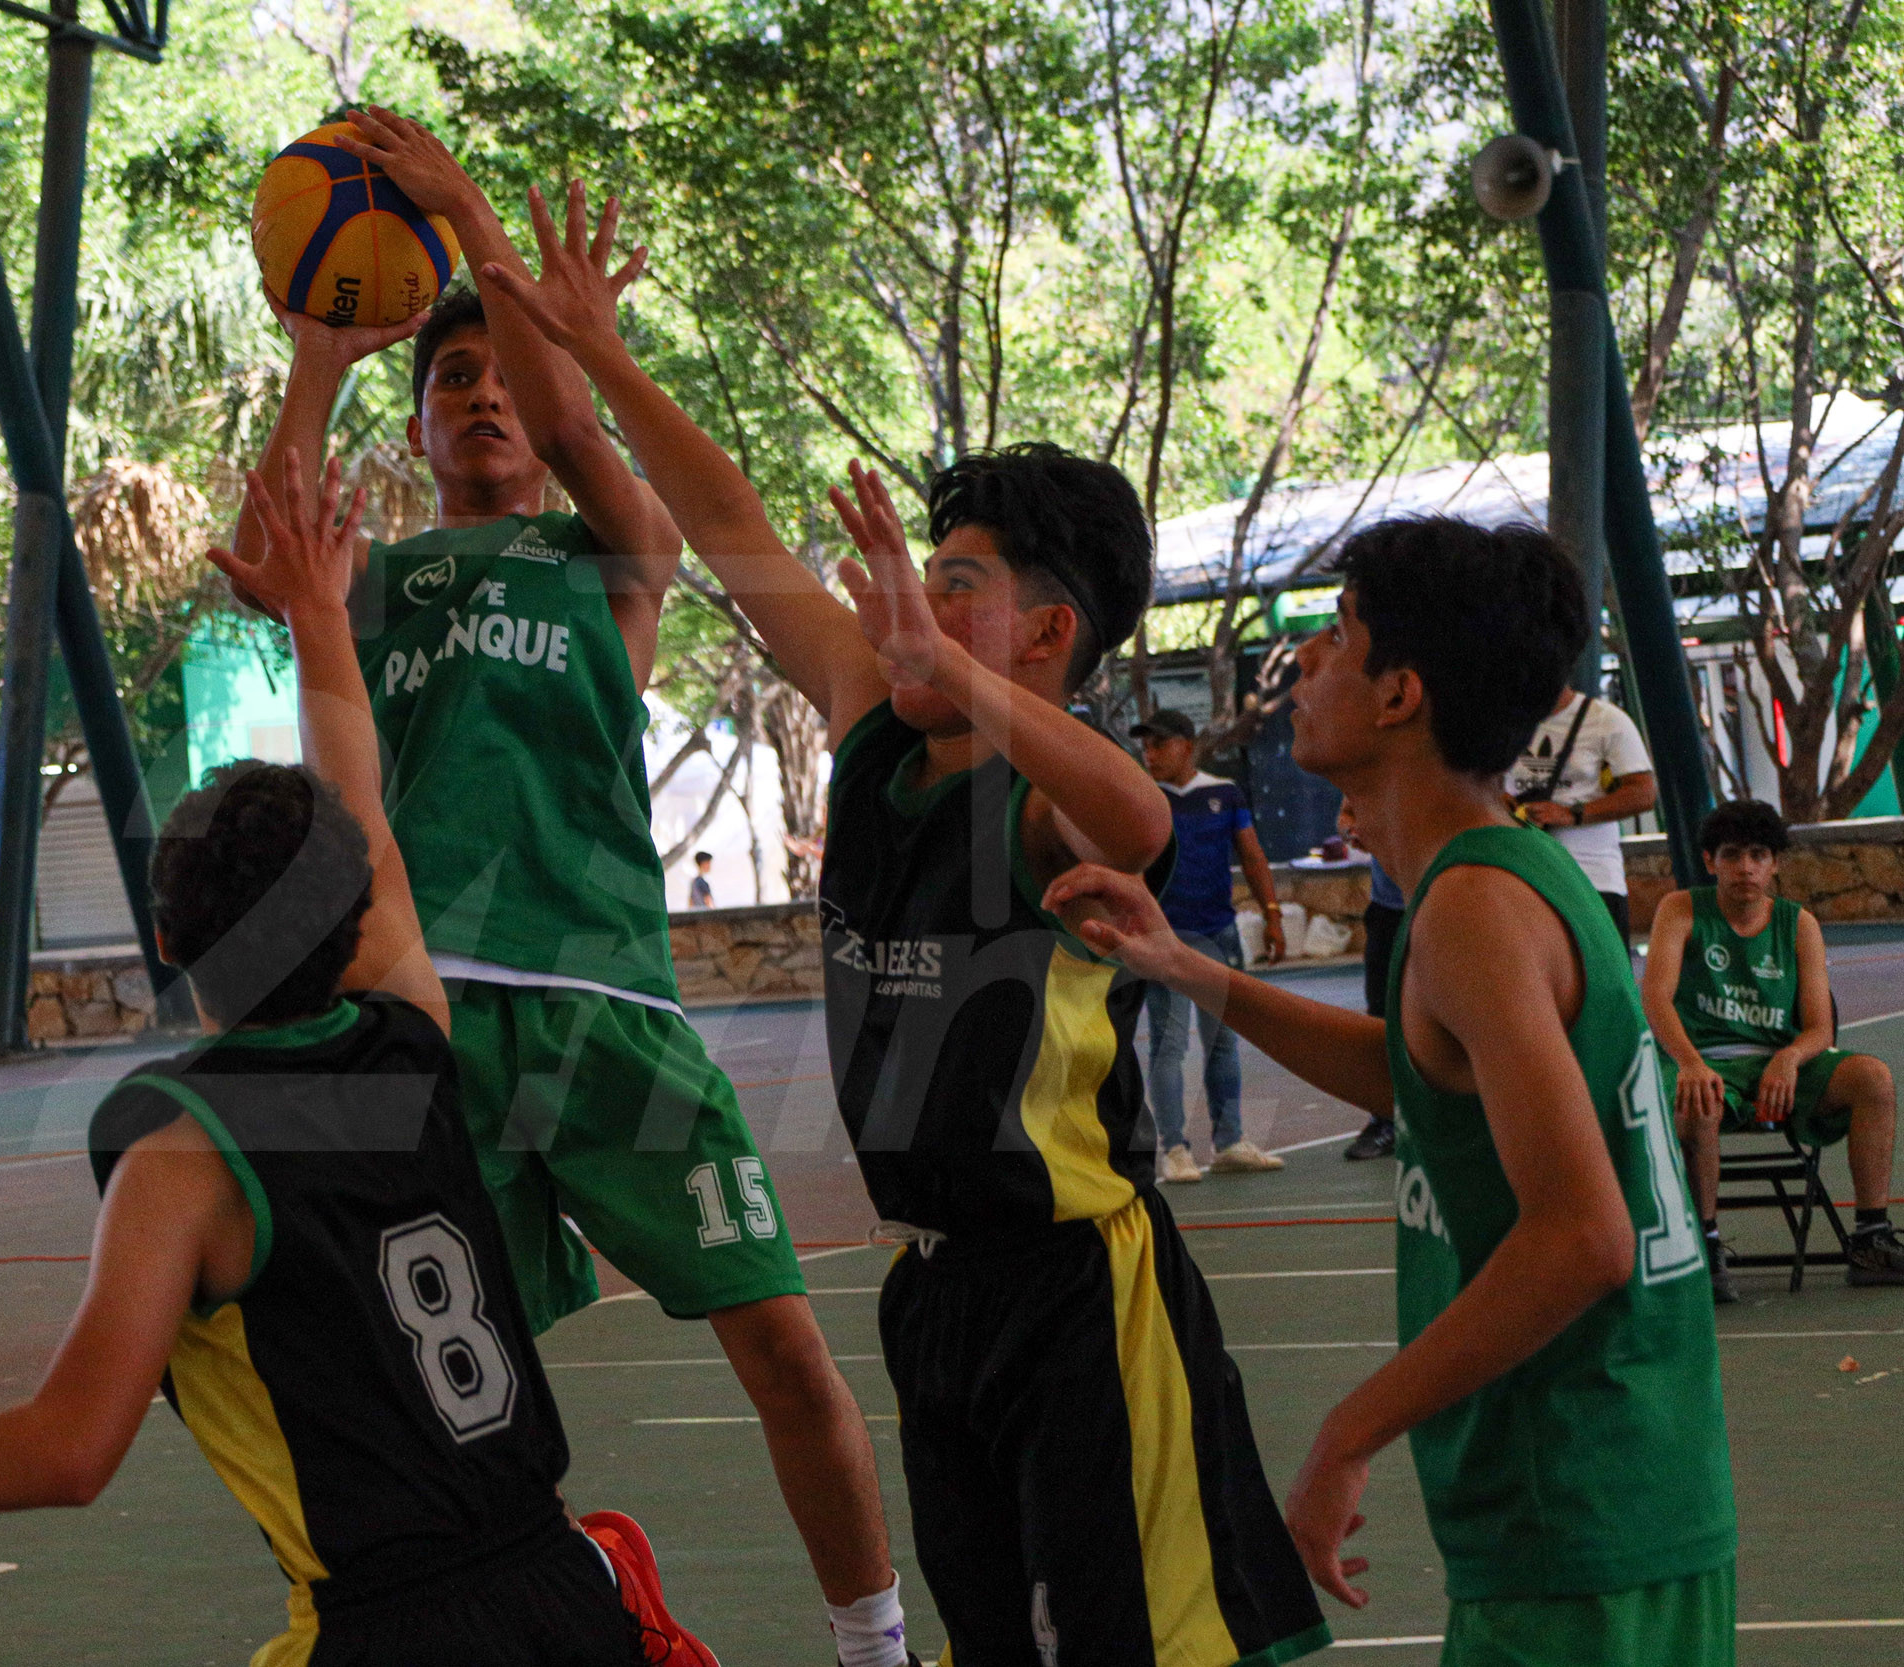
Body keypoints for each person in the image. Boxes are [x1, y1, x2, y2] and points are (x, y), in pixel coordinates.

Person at [0, 455, 690, 1667]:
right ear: (351, 922)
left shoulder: (184, 1147)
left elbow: (69, 1449)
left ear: (171, 945)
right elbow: (370, 819)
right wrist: (318, 619)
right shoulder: (416, 1037)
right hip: (565, 1589)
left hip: (391, 1626)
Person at [477, 189, 1329, 1665]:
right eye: (911, 582)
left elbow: (1133, 817)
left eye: (951, 588)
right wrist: (602, 352)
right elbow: (732, 524)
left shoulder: (1043, 790)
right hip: (930, 1292)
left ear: (1047, 635)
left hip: (1080, 1294)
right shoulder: (877, 729)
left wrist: (947, 666)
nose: (903, 610)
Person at [226, 112, 905, 1660]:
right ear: (417, 429)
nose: (477, 396)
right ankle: (570, 1605)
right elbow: (278, 537)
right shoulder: (375, 579)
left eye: (498, 380)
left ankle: (874, 1641)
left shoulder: (610, 556)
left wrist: (480, 247)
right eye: (446, 378)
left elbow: (591, 433)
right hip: (426, 1019)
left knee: (787, 1349)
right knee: (445, 1394)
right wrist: (322, 353)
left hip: (608, 1004)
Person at [1054, 517, 1737, 1666]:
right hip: (1622, 1491)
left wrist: (1346, 1432)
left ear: (1397, 695)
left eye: (1338, 633)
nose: (1307, 661)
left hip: (1575, 1503)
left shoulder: (1472, 907)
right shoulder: (1514, 874)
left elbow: (1582, 1237)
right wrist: (1190, 968)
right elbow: (1425, 1076)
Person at [1641, 798, 1904, 1302]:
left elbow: (1819, 1028)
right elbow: (1654, 998)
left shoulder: (1797, 923)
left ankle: (1870, 1237)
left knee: (1873, 1078)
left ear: (1776, 863)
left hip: (1777, 1066)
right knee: (1698, 1101)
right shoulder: (1680, 910)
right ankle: (1706, 1244)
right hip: (1703, 1062)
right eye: (1733, 855)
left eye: (1758, 855)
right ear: (1709, 860)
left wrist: (1787, 1058)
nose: (1746, 867)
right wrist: (1691, 1062)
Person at [1131, 708, 1287, 1182]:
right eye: (1146, 745)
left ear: (1186, 744)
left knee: (1222, 1041)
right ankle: (1174, 1149)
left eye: (1159, 744)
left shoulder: (1224, 793)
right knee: (1168, 1044)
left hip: (1219, 933)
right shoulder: (1141, 797)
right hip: (1165, 940)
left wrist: (1272, 914)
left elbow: (1253, 855)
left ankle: (1230, 1140)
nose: (1150, 754)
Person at [1503, 683, 1656, 949]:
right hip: (1521, 878)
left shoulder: (1605, 720)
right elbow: (1479, 787)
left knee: (1602, 983)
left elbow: (1643, 793)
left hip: (1592, 879)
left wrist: (1571, 814)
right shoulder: (1501, 723)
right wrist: (1510, 808)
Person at [1338, 803, 1397, 1162]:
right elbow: (1346, 815)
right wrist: (1352, 831)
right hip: (1389, 908)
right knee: (1381, 1017)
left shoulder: (1448, 757)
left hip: (1443, 895)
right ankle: (1384, 1119)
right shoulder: (1372, 760)